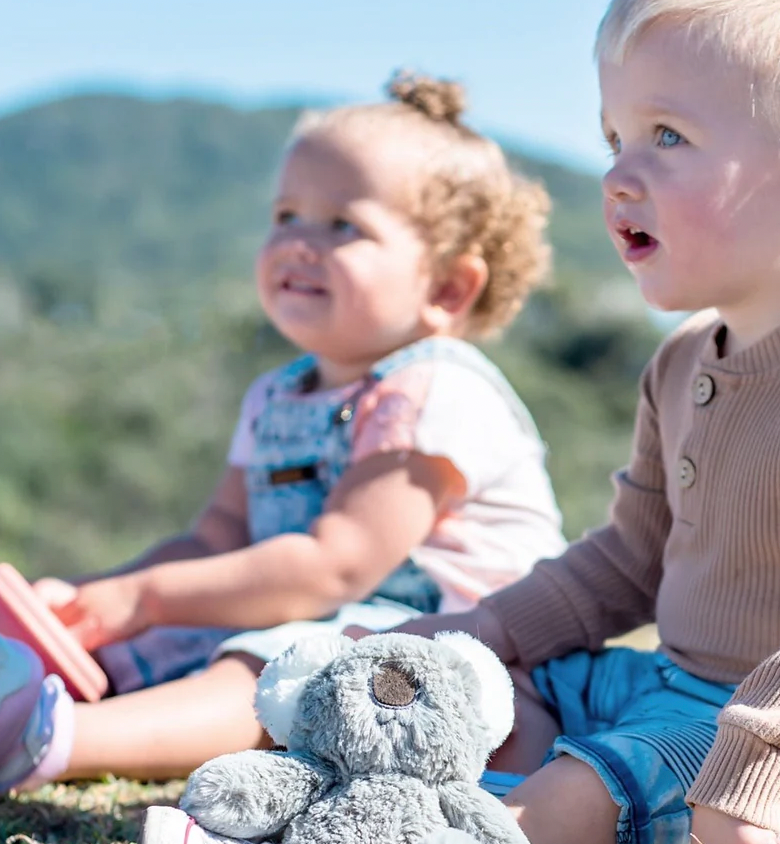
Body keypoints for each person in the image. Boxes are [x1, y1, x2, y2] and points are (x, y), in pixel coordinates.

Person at [122, 0, 780, 844]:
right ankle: (370, 814)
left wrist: (752, 780)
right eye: (614, 136)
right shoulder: (682, 366)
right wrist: (482, 637)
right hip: (680, 684)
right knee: (471, 698)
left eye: (668, 135)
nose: (619, 173)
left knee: (597, 785)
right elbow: (629, 560)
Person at [0, 72, 566, 797]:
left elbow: (337, 565)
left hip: (455, 647)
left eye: (343, 226)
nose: (300, 242)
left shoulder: (437, 389)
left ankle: (53, 737)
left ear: (447, 288)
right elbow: (214, 543)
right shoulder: (277, 393)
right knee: (170, 632)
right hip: (316, 610)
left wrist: (145, 597)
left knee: (281, 664)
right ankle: (50, 679)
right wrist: (100, 601)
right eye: (287, 215)